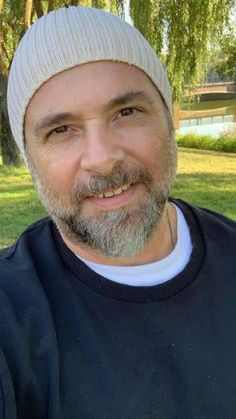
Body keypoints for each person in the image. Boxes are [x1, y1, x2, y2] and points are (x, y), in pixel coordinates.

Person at [0, 5, 236, 418]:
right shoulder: (11, 314)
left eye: (126, 112)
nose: (103, 158)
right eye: (61, 130)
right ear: (31, 157)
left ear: (167, 119)